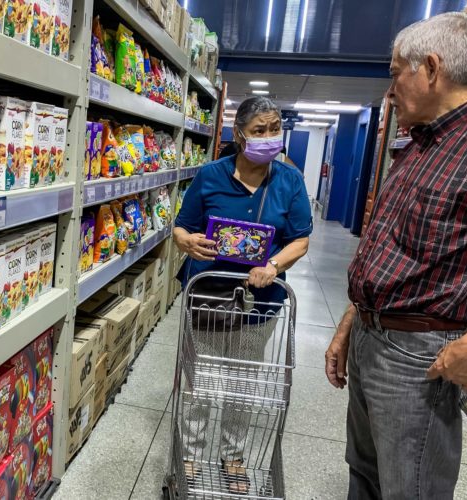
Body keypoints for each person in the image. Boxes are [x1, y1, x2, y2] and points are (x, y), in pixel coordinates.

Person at [324, 12, 467, 499]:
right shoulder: (421, 144)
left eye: (394, 73)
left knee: (410, 489)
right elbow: (389, 251)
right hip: (372, 337)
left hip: (421, 360)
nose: (389, 91)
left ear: (430, 68)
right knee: (364, 475)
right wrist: (351, 324)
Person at [174, 96, 312, 494]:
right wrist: (189, 243)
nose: (269, 138)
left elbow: (300, 240)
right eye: (259, 131)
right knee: (200, 381)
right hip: (208, 295)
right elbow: (182, 226)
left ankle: (233, 457)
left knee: (244, 382)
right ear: (239, 135)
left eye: (274, 130)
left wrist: (273, 267)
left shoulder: (289, 181)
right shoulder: (211, 174)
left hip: (260, 302)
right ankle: (192, 454)